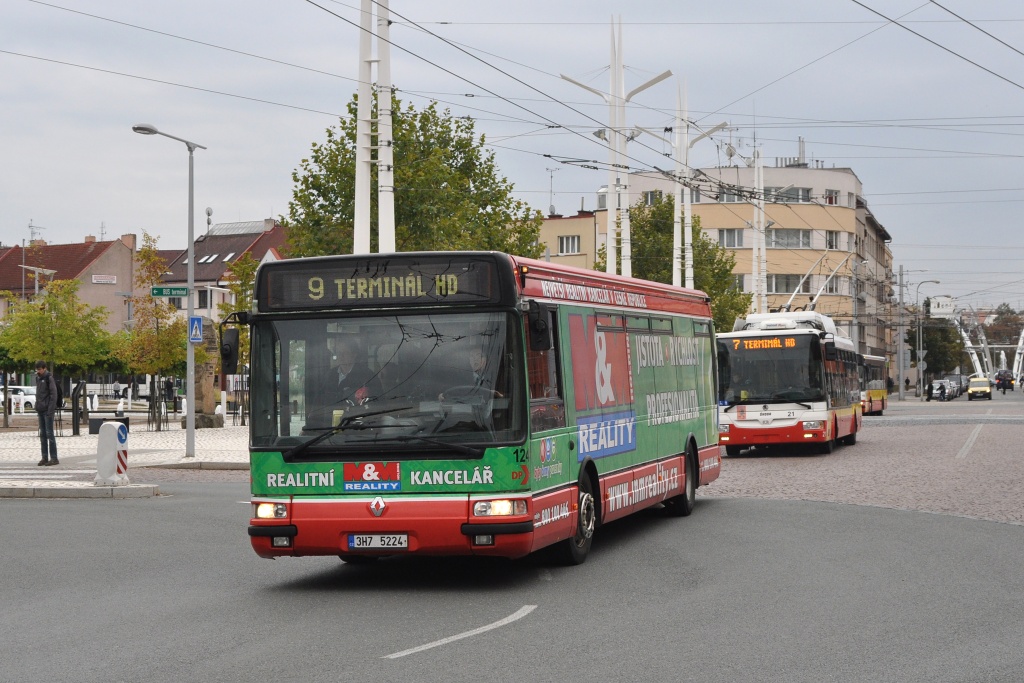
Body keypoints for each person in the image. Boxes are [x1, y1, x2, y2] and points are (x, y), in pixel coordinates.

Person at [34, 360, 59, 466]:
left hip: (47, 410)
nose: (38, 371)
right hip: (40, 409)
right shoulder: (39, 378)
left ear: (44, 368)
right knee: (42, 435)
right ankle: (44, 457)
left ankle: (54, 458)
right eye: (37, 369)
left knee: (49, 434)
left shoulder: (49, 378)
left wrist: (50, 410)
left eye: (39, 369)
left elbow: (54, 395)